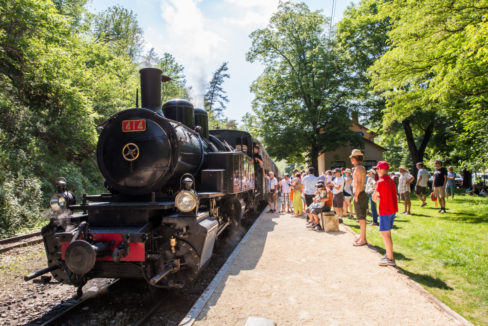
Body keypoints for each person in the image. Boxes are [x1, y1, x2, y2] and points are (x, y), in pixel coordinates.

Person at [372, 161, 398, 266]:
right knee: (387, 233)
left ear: (383, 170)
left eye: (378, 169)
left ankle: (390, 259)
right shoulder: (390, 180)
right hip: (392, 209)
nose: (377, 171)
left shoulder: (380, 181)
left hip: (385, 210)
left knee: (385, 234)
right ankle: (388, 254)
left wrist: (375, 194)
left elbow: (374, 198)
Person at [350, 149, 368, 246]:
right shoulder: (361, 168)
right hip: (361, 194)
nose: (351, 160)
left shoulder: (358, 169)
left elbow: (359, 184)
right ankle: (361, 236)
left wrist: (356, 196)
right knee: (361, 217)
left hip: (359, 194)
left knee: (361, 218)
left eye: (352, 158)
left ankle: (363, 239)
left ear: (355, 158)